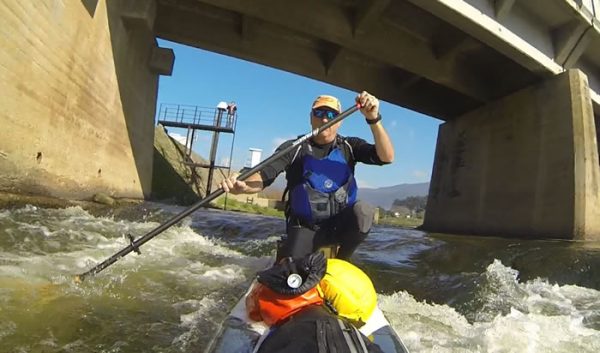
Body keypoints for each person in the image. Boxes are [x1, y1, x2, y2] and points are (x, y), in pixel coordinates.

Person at [220, 91, 394, 260]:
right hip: (305, 228)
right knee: (291, 277)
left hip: (339, 226)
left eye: (332, 114)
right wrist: (243, 186)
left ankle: (341, 261)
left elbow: (387, 157)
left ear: (339, 121)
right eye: (319, 113)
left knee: (363, 211)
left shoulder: (350, 146)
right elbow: (264, 175)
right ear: (311, 117)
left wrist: (373, 119)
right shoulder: (294, 148)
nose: (324, 119)